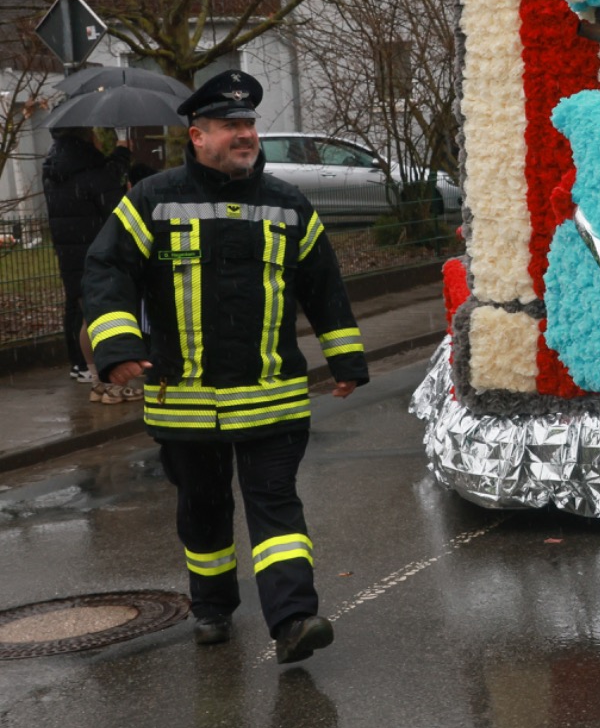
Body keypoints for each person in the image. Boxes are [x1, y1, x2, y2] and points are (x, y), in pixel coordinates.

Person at [82, 71, 368, 663]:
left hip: (272, 399)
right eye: (231, 125)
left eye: (249, 124)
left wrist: (345, 358)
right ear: (198, 135)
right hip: (185, 402)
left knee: (276, 506)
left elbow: (324, 286)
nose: (245, 134)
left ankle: (294, 619)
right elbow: (106, 269)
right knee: (203, 509)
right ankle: (212, 607)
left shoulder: (288, 203)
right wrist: (116, 348)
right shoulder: (152, 199)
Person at [43, 127, 135, 400]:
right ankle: (112, 385)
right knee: (106, 317)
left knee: (86, 315)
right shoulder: (92, 169)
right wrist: (125, 189)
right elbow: (116, 210)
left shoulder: (55, 168)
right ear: (87, 137)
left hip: (71, 254)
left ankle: (96, 379)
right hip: (100, 252)